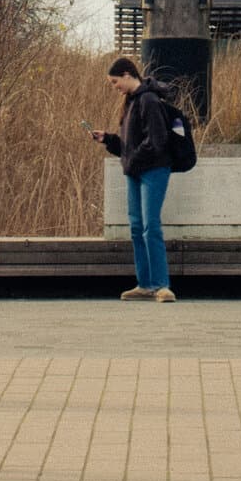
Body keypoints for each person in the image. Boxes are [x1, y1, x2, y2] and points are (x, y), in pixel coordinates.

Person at [91, 55, 183, 302]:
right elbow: (129, 145)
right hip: (136, 171)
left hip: (154, 170)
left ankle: (162, 285)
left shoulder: (149, 100)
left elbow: (157, 141)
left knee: (150, 225)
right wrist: (109, 140)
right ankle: (145, 284)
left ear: (127, 75)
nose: (115, 88)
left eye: (115, 82)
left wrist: (132, 159)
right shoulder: (131, 103)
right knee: (136, 227)